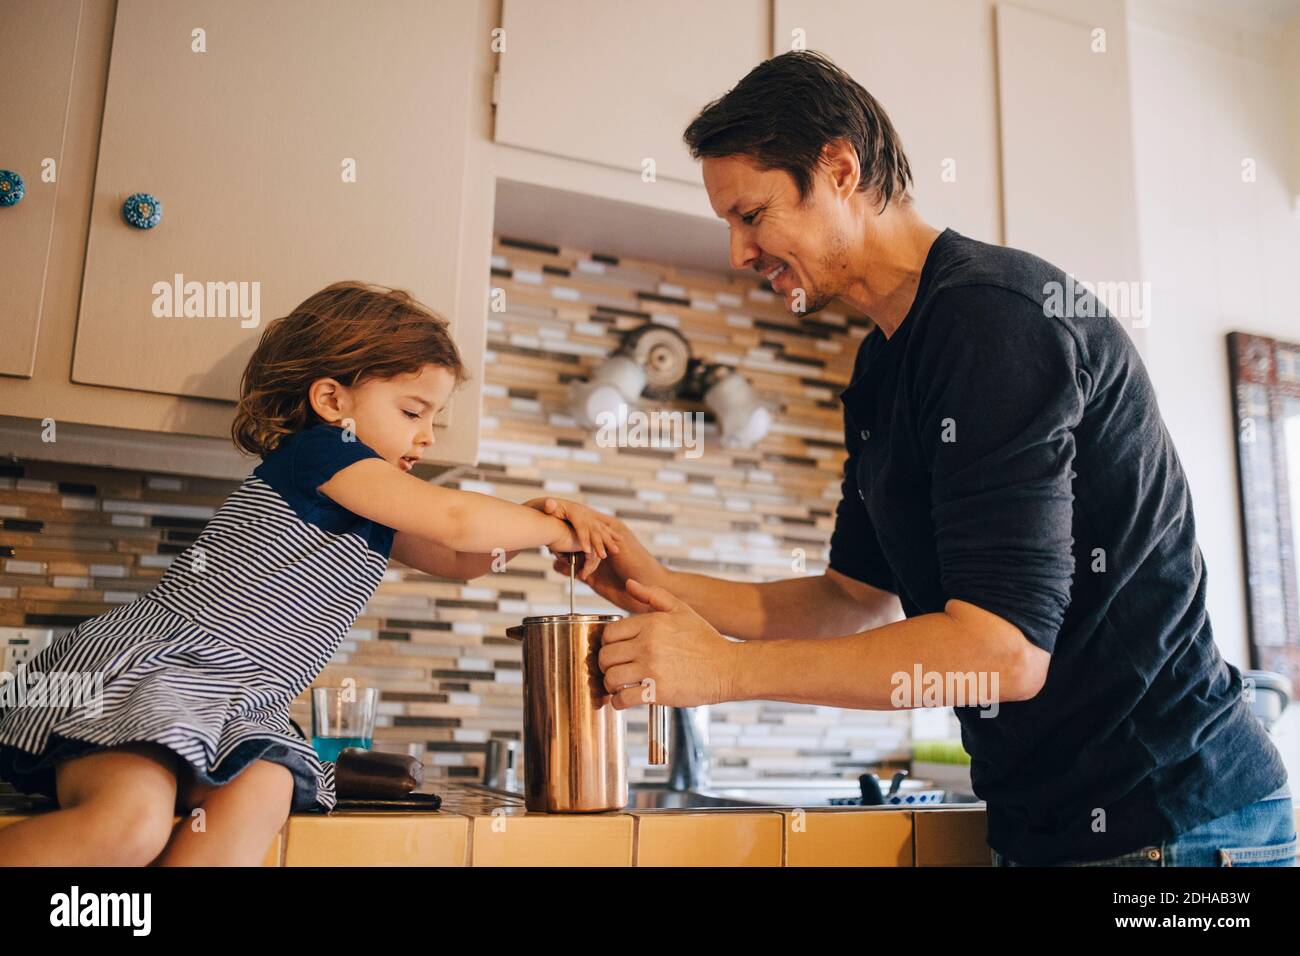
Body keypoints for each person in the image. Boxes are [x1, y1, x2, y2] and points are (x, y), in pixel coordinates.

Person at [547, 50, 1294, 867]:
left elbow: (1002, 654)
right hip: (1055, 828)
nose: (738, 252)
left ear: (840, 169)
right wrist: (654, 582)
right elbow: (852, 599)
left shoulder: (991, 321)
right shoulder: (883, 366)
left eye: (751, 214)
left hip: (1176, 823)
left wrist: (726, 672)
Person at [0, 280, 617, 866]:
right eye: (413, 411)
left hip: (243, 703)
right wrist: (554, 526)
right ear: (331, 402)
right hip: (167, 671)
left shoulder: (371, 501)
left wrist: (535, 524)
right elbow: (456, 521)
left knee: (263, 791)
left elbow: (459, 558)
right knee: (128, 827)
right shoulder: (324, 453)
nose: (428, 437)